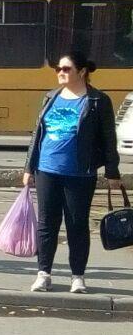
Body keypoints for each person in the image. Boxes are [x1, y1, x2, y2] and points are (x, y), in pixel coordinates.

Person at [23, 50, 122, 294]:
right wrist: (29, 167)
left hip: (80, 173)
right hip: (47, 169)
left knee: (77, 225)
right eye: (58, 69)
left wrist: (112, 172)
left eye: (66, 69)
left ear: (82, 71)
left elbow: (109, 138)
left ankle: (77, 276)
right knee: (47, 225)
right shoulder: (51, 96)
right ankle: (43, 273)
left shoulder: (98, 101)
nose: (60, 73)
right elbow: (37, 134)